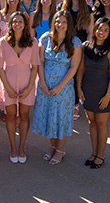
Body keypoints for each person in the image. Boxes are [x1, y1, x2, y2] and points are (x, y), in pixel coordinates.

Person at [32, 11, 82, 165]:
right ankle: (52, 146)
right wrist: (43, 83)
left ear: (69, 25)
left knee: (61, 118)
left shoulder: (75, 42)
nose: (60, 25)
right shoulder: (45, 38)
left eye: (64, 22)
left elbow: (74, 67)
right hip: (46, 85)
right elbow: (39, 61)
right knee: (49, 116)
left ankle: (60, 150)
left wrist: (60, 87)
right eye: (58, 21)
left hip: (64, 88)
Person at [0, 11, 40, 163]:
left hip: (27, 82)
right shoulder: (3, 42)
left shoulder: (32, 42)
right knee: (11, 116)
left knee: (25, 116)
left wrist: (30, 86)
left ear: (25, 24)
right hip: (9, 82)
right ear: (11, 24)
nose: (17, 24)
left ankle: (22, 147)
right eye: (15, 22)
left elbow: (35, 67)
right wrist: (7, 88)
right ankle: (13, 147)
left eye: (20, 21)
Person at [78, 16, 110, 169]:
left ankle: (100, 154)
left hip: (103, 92)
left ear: (109, 33)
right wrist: (79, 88)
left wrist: (108, 95)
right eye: (99, 28)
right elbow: (81, 69)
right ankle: (93, 152)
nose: (101, 32)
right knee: (92, 123)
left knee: (101, 123)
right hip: (87, 90)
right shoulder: (86, 47)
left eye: (105, 30)